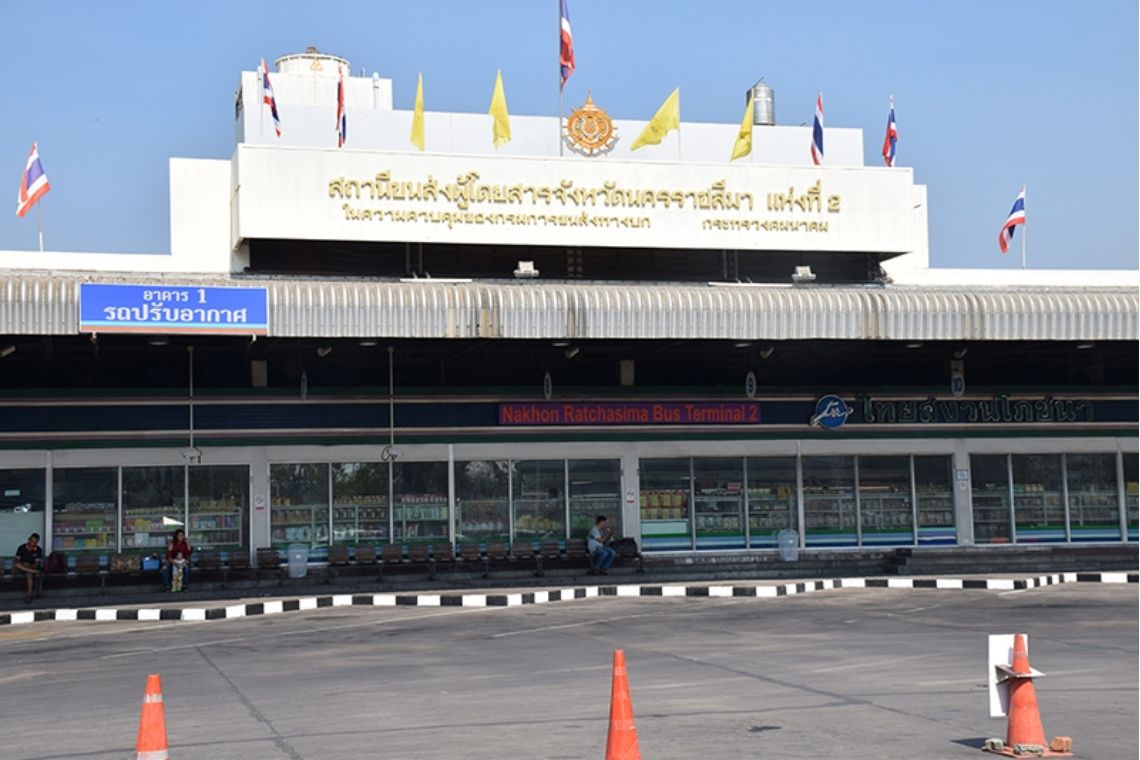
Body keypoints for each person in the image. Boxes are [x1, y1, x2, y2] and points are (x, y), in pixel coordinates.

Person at [14, 532, 45, 603]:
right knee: (18, 565)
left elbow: (36, 564)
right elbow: (16, 561)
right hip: (21, 568)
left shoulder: (38, 550)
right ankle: (33, 572)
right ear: (29, 539)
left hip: (32, 568)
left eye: (35, 542)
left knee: (29, 574)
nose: (33, 543)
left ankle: (29, 595)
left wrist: (28, 567)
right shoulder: (21, 548)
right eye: (32, 541)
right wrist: (24, 565)